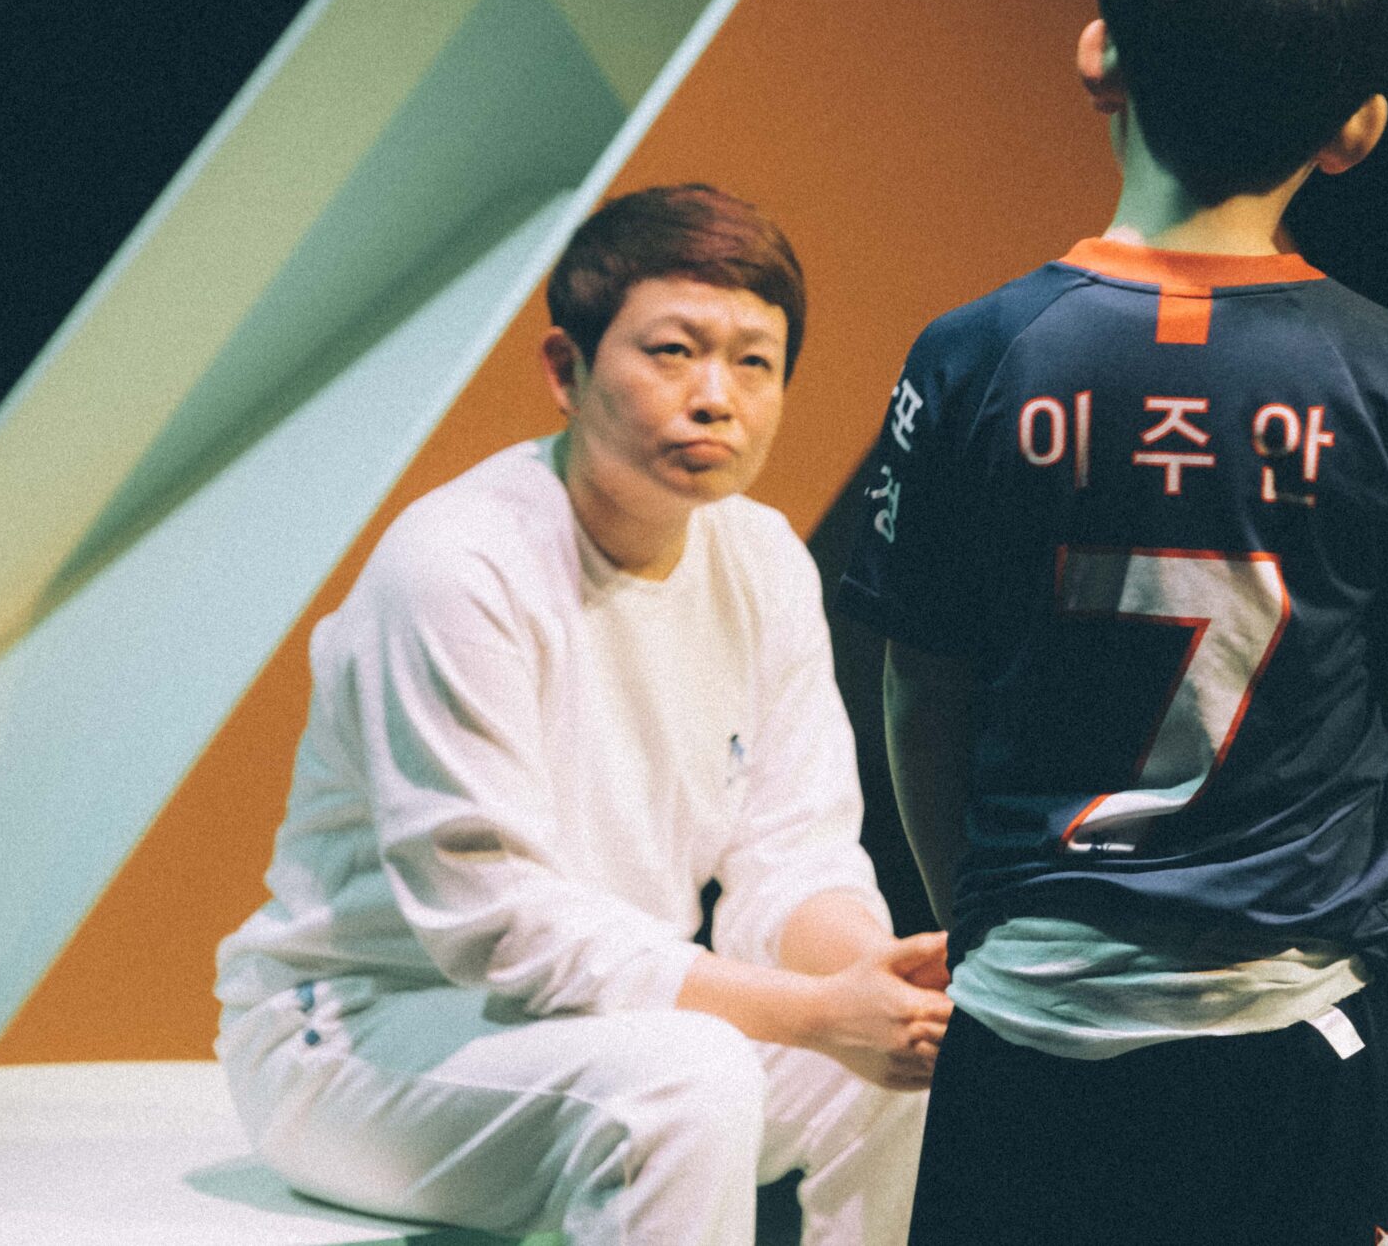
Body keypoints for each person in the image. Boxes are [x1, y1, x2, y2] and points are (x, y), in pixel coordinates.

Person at [839, 0, 1388, 1246]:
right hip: (1296, 1025)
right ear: (1359, 128)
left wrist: (988, 919)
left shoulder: (970, 357)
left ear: (1100, 58)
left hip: (1026, 1023)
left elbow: (918, 690)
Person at [215, 184, 944, 1246]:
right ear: (566, 369)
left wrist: (873, 984)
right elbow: (497, 923)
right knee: (687, 1080)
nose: (716, 397)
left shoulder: (763, 560)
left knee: (897, 1069)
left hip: (592, 1020)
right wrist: (813, 1014)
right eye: (673, 352)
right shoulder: (458, 564)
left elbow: (794, 851)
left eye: (754, 361)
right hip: (355, 1034)